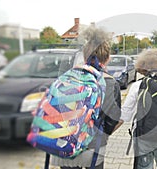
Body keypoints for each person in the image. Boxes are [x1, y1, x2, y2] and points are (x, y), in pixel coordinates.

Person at [51, 25, 122, 169]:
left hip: (66, 145)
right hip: (94, 148)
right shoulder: (110, 83)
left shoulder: (67, 78)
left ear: (84, 57)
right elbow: (113, 119)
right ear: (107, 58)